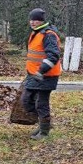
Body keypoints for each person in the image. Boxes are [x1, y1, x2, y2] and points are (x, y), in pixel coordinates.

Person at [22, 8, 62, 139]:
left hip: (46, 76)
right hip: (33, 75)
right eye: (32, 19)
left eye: (36, 20)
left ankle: (44, 131)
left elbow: (53, 56)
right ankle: (43, 123)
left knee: (41, 103)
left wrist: (41, 71)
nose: (33, 22)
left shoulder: (48, 35)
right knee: (26, 101)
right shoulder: (36, 33)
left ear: (42, 21)